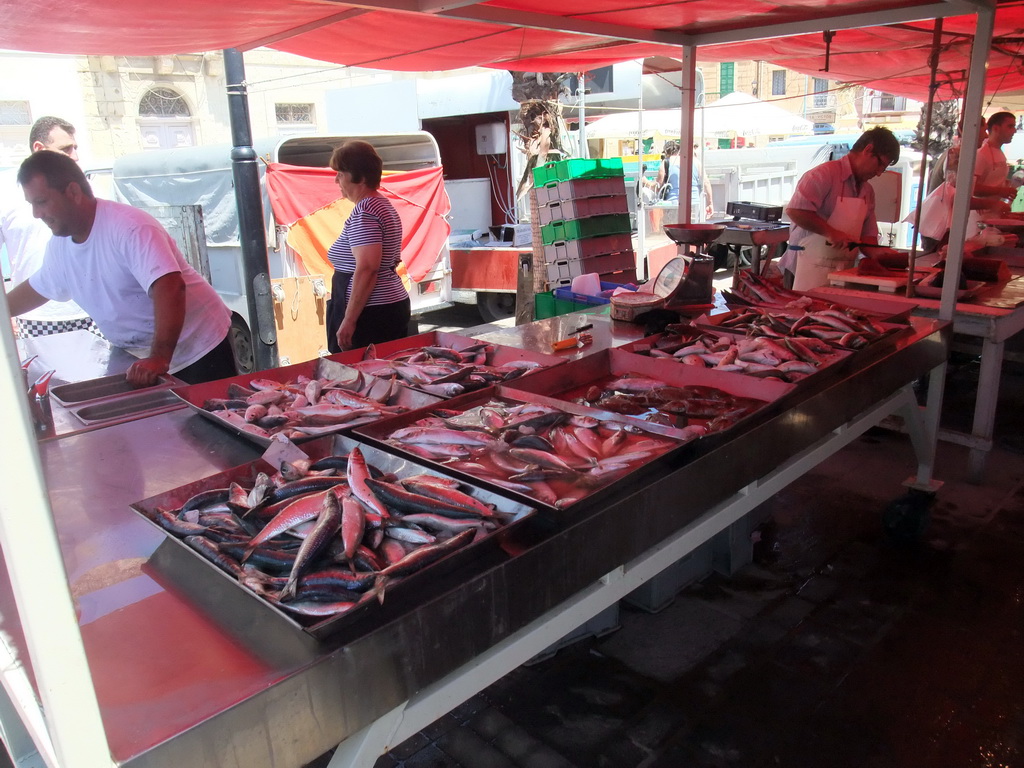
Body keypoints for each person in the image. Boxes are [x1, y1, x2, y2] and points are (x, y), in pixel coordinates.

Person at [7, 150, 236, 386]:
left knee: (215, 419)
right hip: (138, 355)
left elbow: (169, 287)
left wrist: (158, 357)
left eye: (41, 202)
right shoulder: (60, 246)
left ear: (73, 192)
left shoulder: (130, 227)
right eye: (32, 204)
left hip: (198, 348)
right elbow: (38, 288)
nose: (36, 214)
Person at [1, 116, 94, 337]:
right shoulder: (5, 193)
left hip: (89, 312)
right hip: (37, 317)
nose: (75, 155)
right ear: (39, 148)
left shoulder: (79, 187)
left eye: (75, 147)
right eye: (66, 148)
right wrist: (5, 313)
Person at [780, 126, 904, 287]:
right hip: (804, 268)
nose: (880, 172)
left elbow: (867, 238)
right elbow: (796, 211)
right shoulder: (823, 175)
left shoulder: (867, 191)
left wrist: (882, 254)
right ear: (868, 149)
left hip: (842, 272)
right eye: (880, 164)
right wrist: (830, 233)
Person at [325, 140, 410, 352]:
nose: (337, 180)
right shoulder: (380, 204)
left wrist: (349, 320)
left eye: (341, 173)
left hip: (372, 314)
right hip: (384, 306)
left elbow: (367, 268)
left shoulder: (366, 211)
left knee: (368, 376)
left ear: (360, 178)